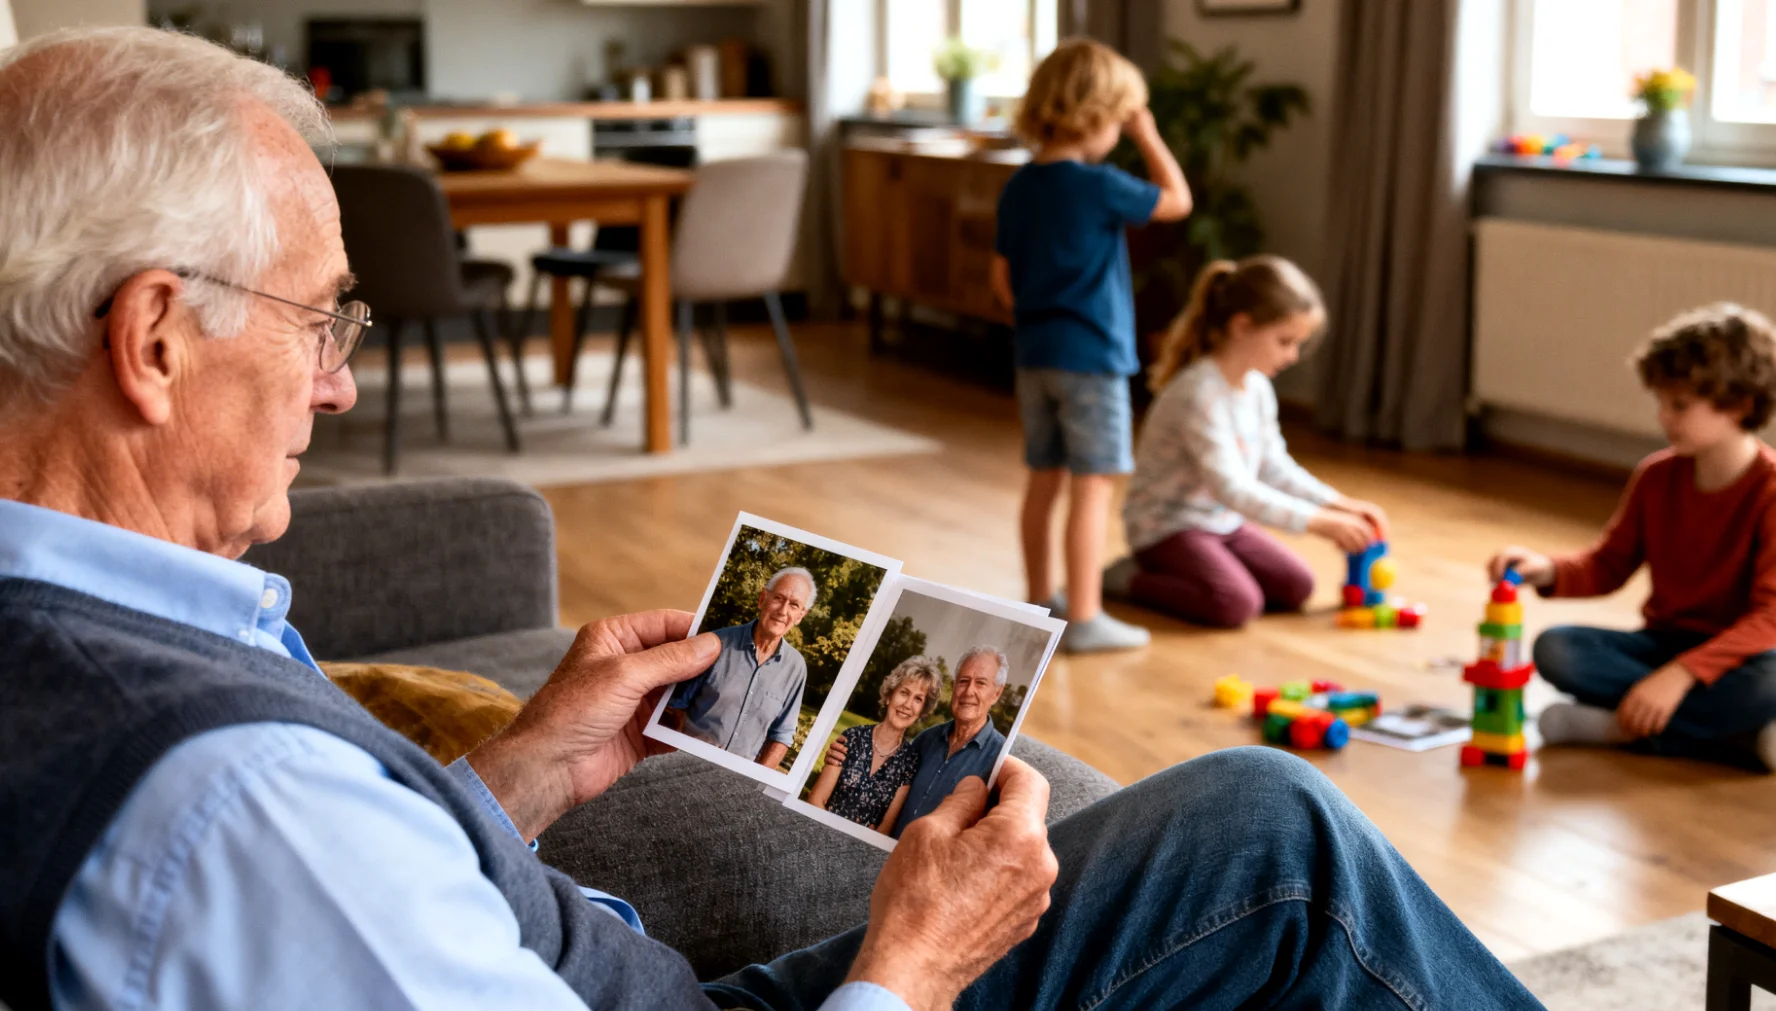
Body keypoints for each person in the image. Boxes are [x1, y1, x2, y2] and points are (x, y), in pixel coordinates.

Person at [0, 26, 1547, 1011]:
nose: (336, 388)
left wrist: (530, 768)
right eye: (322, 322)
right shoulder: (234, 805)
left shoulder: (91, 640)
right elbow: (281, 862)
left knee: (1255, 817)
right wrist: (912, 962)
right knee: (1282, 848)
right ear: (153, 340)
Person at [1489, 303, 1776, 773]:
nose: (1663, 417)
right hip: (1664, 643)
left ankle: (1615, 729)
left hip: (1744, 659)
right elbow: (1609, 564)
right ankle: (1735, 736)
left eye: (1679, 406)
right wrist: (1547, 569)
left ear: (1740, 405)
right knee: (1556, 649)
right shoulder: (1656, 477)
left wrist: (1680, 676)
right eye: (1661, 401)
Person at [994, 38, 1192, 654]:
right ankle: (1084, 615)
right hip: (1093, 359)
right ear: (1102, 115)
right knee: (1092, 486)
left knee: (1044, 478)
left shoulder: (1021, 185)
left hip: (1035, 354)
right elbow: (1177, 201)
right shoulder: (1100, 184)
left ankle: (1036, 602)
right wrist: (1150, 136)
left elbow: (1002, 282)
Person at [1112, 256, 1389, 628]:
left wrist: (1338, 504)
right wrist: (1319, 522)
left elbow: (1274, 466)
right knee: (1235, 604)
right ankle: (1124, 578)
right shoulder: (1198, 394)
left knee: (1296, 586)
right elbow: (1234, 488)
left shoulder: (1257, 387)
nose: (1292, 356)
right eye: (1285, 341)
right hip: (1167, 526)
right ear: (1241, 326)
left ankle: (1207, 566)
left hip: (1222, 521)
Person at [664, 567, 813, 768]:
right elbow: (675, 706)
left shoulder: (796, 668)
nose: (783, 611)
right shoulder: (716, 643)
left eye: (794, 605)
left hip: (733, 780)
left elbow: (782, 735)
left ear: (800, 616)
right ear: (762, 599)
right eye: (778, 598)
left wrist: (752, 782)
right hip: (682, 763)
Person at [883, 647, 1011, 837]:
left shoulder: (1001, 758)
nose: (969, 691)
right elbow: (886, 784)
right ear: (954, 686)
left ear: (996, 693)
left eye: (981, 683)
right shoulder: (926, 739)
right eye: (963, 681)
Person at [805, 656, 940, 833]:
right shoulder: (852, 738)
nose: (907, 705)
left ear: (922, 710)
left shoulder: (909, 762)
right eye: (904, 693)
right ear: (889, 696)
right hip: (818, 832)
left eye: (918, 699)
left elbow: (885, 828)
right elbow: (816, 799)